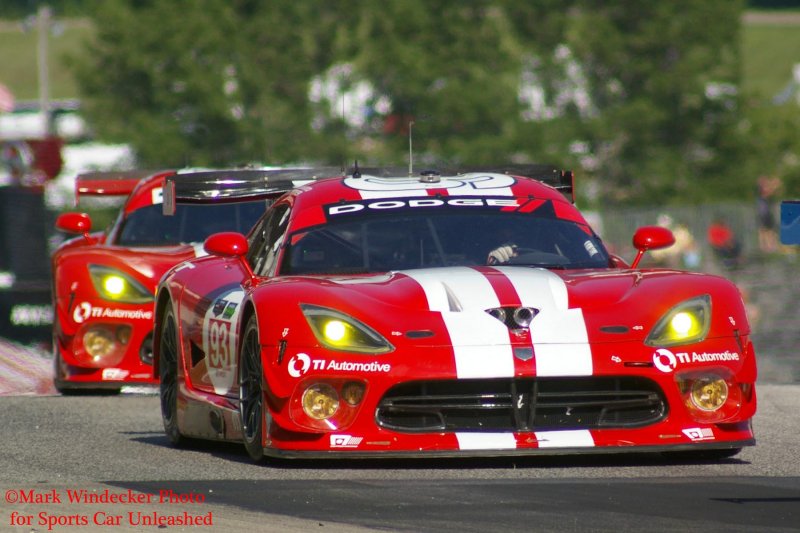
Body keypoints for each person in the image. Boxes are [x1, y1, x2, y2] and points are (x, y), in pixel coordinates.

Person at [756, 175, 781, 254]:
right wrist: (775, 184)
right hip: (764, 213)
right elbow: (769, 191)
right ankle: (767, 246)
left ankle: (768, 246)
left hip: (765, 213)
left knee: (767, 230)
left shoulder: (764, 192)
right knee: (766, 230)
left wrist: (774, 184)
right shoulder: (762, 192)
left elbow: (771, 191)